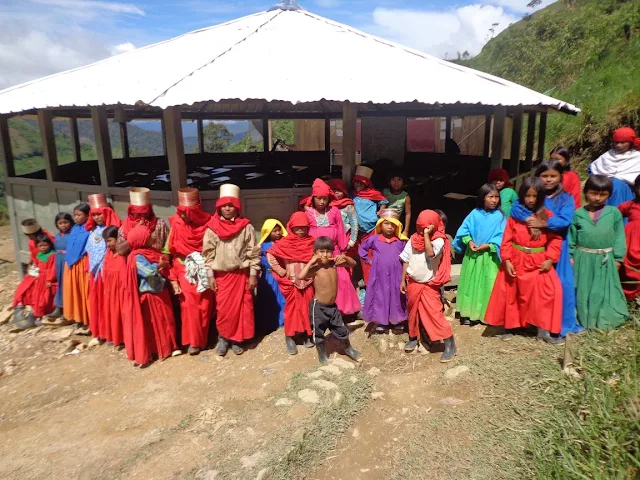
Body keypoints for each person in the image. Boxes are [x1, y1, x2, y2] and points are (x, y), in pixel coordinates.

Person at [484, 177, 564, 343]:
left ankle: (543, 329)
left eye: (535, 196)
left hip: (538, 260)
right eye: (528, 195)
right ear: (522, 195)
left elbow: (555, 239)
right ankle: (511, 326)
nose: (531, 200)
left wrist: (550, 259)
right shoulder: (515, 216)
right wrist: (507, 260)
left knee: (548, 292)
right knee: (513, 293)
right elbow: (507, 239)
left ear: (541, 196)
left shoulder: (546, 216)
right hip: (516, 258)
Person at [510, 160, 582, 337]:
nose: (549, 180)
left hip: (557, 244)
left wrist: (544, 223)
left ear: (561, 177)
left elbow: (566, 220)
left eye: (553, 176)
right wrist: (530, 220)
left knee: (561, 285)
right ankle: (534, 322)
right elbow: (516, 209)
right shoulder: (532, 194)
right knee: (535, 287)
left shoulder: (566, 198)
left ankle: (560, 324)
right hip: (534, 247)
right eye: (544, 176)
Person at [202, 184, 260, 356]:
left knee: (243, 308)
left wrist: (253, 274)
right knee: (224, 310)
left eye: (231, 206)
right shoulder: (212, 228)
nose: (227, 209)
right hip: (222, 276)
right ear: (219, 207)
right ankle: (223, 338)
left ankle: (237, 339)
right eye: (224, 206)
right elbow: (208, 254)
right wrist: (210, 275)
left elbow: (253, 251)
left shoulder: (246, 227)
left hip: (241, 275)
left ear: (237, 208)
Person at [569, 175, 628, 329]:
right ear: (585, 192)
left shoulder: (614, 213)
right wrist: (570, 255)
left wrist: (618, 258)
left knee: (601, 290)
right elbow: (571, 237)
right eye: (593, 193)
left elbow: (619, 237)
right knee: (583, 289)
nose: (597, 198)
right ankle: (583, 318)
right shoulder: (578, 214)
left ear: (609, 195)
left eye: (603, 194)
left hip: (605, 259)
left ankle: (603, 320)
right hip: (583, 259)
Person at [400, 210, 457, 362]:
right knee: (413, 312)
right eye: (419, 227)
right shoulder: (412, 239)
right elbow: (406, 260)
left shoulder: (439, 240)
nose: (421, 230)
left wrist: (426, 235)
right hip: (413, 283)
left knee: (434, 314)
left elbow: (430, 253)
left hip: (428, 285)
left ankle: (450, 343)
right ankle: (414, 337)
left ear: (433, 226)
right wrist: (402, 280)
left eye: (425, 228)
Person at [166, 188, 214, 355]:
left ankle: (203, 339)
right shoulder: (177, 224)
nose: (181, 215)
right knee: (189, 305)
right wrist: (172, 277)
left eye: (185, 212)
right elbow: (168, 250)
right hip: (183, 268)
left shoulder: (209, 224)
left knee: (205, 305)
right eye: (180, 211)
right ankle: (193, 342)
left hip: (204, 268)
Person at [298, 236, 361, 364]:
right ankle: (322, 355)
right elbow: (301, 276)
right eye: (321, 251)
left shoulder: (334, 264)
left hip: (332, 307)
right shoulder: (315, 269)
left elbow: (353, 263)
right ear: (315, 253)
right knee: (318, 333)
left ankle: (348, 349)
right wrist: (311, 261)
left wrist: (344, 257)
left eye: (328, 251)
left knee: (341, 329)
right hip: (318, 308)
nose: (325, 254)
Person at [305, 179, 361, 317]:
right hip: (316, 253)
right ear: (313, 198)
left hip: (334, 251)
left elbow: (340, 229)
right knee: (320, 279)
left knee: (340, 279)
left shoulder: (334, 211)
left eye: (325, 199)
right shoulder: (308, 213)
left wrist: (342, 247)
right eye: (319, 198)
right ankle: (320, 313)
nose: (322, 202)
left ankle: (342, 311)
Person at [124, 225, 178, 367]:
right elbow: (148, 272)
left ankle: (170, 347)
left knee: (167, 320)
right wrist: (159, 266)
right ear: (141, 239)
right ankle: (158, 351)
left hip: (160, 291)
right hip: (150, 295)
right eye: (148, 236)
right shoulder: (136, 257)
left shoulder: (151, 252)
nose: (152, 237)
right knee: (155, 323)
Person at [453, 183, 506, 326]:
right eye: (490, 197)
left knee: (488, 285)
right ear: (483, 198)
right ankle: (467, 313)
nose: (494, 200)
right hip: (473, 256)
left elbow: (503, 237)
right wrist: (469, 241)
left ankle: (486, 315)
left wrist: (489, 245)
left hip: (490, 258)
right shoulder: (474, 214)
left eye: (496, 197)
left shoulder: (500, 217)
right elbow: (464, 230)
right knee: (470, 284)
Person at [267, 212, 316, 354]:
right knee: (292, 311)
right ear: (291, 227)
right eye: (297, 227)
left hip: (308, 282)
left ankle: (307, 334)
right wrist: (280, 271)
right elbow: (270, 254)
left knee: (308, 309)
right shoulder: (284, 243)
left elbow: (319, 257)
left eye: (304, 227)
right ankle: (290, 337)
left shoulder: (312, 242)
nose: (300, 230)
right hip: (291, 283)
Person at [358, 209, 408, 333]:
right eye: (386, 223)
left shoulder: (401, 241)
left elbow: (408, 256)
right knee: (381, 296)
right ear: (380, 225)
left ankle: (397, 321)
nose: (390, 227)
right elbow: (362, 249)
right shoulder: (374, 239)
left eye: (393, 224)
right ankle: (382, 322)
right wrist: (369, 261)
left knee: (396, 296)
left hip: (396, 274)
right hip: (379, 275)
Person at [85, 193, 121, 344]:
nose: (97, 217)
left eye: (99, 214)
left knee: (110, 303)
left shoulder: (114, 230)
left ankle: (113, 334)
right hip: (96, 275)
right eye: (94, 215)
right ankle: (101, 332)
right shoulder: (92, 232)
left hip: (109, 272)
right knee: (98, 303)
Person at [11, 230, 57, 330]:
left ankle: (41, 315)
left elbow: (52, 269)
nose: (43, 247)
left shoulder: (52, 255)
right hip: (39, 277)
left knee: (44, 298)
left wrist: (49, 279)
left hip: (46, 279)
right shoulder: (39, 254)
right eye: (40, 246)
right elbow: (35, 262)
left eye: (45, 245)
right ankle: (26, 311)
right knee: (32, 292)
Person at [352, 166, 389, 283]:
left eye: (361, 183)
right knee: (363, 256)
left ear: (366, 183)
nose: (358, 185)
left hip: (373, 229)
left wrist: (381, 210)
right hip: (359, 232)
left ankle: (375, 281)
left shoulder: (373, 193)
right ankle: (368, 281)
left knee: (372, 255)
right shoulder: (352, 194)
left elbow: (383, 201)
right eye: (356, 182)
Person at [589, 127, 640, 207]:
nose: (619, 145)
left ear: (630, 143)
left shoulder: (637, 157)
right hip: (605, 189)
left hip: (625, 192)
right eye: (616, 142)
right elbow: (593, 168)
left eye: (622, 142)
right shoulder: (608, 155)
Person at [256, 218, 287, 335]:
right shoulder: (262, 246)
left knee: (282, 299)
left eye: (279, 230)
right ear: (268, 232)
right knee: (268, 299)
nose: (278, 233)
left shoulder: (284, 243)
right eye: (274, 231)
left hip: (281, 276)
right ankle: (267, 325)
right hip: (268, 277)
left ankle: (282, 323)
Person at [63, 204, 91, 332]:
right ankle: (77, 317)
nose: (76, 218)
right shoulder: (75, 228)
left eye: (79, 215)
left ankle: (87, 319)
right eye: (75, 215)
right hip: (70, 264)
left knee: (84, 292)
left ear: (87, 216)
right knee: (74, 292)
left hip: (82, 263)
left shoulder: (90, 229)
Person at [117, 187, 169, 255]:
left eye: (145, 213)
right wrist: (135, 233)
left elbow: (168, 248)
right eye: (138, 214)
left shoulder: (160, 224)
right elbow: (120, 251)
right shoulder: (124, 228)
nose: (142, 218)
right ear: (132, 213)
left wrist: (164, 259)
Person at [102, 226, 126, 347]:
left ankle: (124, 338)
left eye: (110, 240)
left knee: (121, 313)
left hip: (121, 291)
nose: (108, 244)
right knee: (112, 313)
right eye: (106, 241)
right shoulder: (108, 254)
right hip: (110, 290)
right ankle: (115, 337)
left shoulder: (123, 256)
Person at [45, 213, 73, 322]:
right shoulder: (57, 236)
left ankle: (68, 310)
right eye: (60, 223)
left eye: (66, 222)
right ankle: (58, 307)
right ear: (57, 224)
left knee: (68, 285)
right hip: (58, 262)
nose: (63, 225)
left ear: (70, 222)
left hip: (68, 262)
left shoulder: (72, 234)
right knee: (60, 284)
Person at [619, 173, 640, 301]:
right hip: (629, 243)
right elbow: (615, 212)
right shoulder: (631, 205)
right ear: (636, 188)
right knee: (626, 268)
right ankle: (626, 297)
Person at [326, 179, 358, 253]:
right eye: (334, 190)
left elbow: (354, 224)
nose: (336, 192)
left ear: (344, 192)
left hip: (345, 237)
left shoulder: (348, 206)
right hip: (329, 239)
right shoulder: (326, 205)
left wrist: (351, 242)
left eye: (339, 190)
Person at [383, 170, 412, 238]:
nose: (396, 182)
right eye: (393, 179)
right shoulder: (384, 192)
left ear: (403, 182)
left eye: (399, 180)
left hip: (395, 225)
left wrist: (406, 230)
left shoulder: (405, 196)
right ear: (389, 182)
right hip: (383, 223)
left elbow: (408, 213)